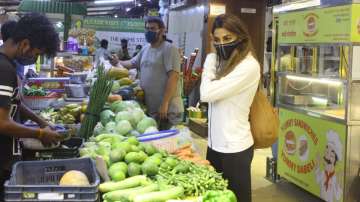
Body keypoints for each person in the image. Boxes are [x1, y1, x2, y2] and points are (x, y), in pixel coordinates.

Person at [0, 13, 63, 197]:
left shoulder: (8, 66)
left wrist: (42, 121)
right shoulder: (4, 70)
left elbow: (15, 104)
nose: (34, 59)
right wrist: (41, 133)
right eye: (36, 54)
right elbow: (2, 123)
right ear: (25, 44)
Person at [200, 14, 260, 202]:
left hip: (235, 148)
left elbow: (206, 93)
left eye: (227, 38)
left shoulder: (248, 66)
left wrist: (210, 56)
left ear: (240, 37)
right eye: (217, 40)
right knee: (216, 196)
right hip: (215, 145)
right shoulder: (225, 62)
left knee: (237, 198)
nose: (221, 44)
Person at [111, 17, 184, 129]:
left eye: (152, 28)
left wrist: (164, 104)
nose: (148, 31)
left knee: (169, 144)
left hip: (168, 110)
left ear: (162, 30)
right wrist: (117, 61)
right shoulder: (145, 49)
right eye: (147, 28)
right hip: (153, 110)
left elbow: (173, 78)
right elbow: (131, 63)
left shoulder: (169, 49)